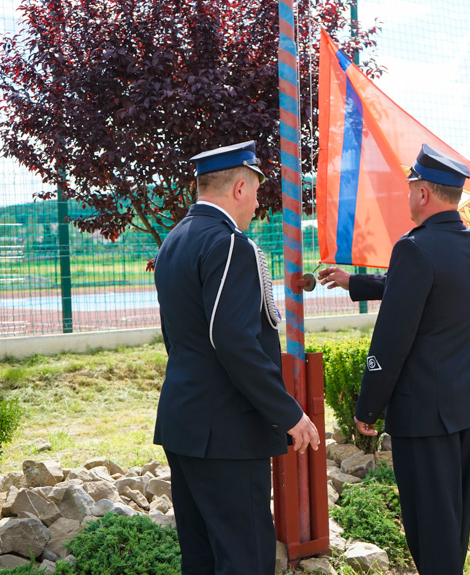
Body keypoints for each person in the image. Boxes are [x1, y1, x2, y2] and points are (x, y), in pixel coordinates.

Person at [153, 141, 320, 575]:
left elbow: (179, 337)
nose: (258, 203)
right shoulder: (230, 245)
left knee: (202, 556)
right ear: (241, 187)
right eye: (259, 192)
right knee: (245, 556)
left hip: (184, 421)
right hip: (226, 431)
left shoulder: (175, 240)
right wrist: (288, 413)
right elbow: (232, 341)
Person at [348, 144, 470, 575]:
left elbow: (392, 339)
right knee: (452, 517)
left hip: (424, 411)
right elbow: (421, 288)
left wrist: (368, 406)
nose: (407, 196)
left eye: (411, 188)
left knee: (429, 525)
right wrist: (354, 281)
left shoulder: (414, 248)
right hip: (464, 404)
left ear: (425, 194)